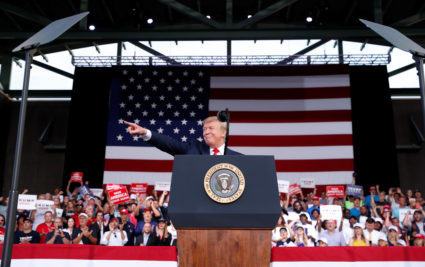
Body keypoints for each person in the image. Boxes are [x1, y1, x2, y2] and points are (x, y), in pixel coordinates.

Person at [124, 116, 242, 156]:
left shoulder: (239, 159)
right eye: (204, 129)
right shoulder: (193, 148)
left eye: (211, 128)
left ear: (223, 133)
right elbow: (169, 144)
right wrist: (144, 132)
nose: (206, 132)